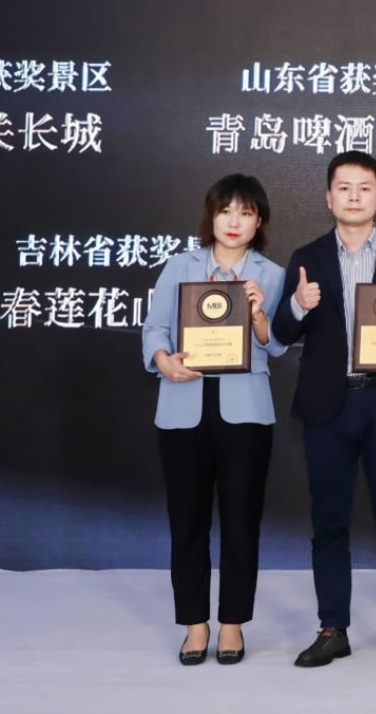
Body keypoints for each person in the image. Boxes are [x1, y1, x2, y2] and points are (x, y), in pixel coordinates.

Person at [272, 151, 376, 668]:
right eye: (344, 187)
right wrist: (298, 304)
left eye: (364, 188)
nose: (354, 196)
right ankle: (332, 628)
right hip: (328, 406)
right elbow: (281, 332)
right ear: (328, 197)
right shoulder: (307, 256)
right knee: (330, 522)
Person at [142, 174, 286, 665]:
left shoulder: (271, 274)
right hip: (182, 405)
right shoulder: (179, 266)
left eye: (246, 212)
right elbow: (155, 328)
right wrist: (162, 360)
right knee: (187, 521)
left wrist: (260, 315)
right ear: (212, 216)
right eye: (226, 211)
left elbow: (277, 345)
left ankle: (232, 624)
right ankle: (194, 624)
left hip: (245, 412)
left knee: (242, 521)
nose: (234, 221)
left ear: (259, 221)